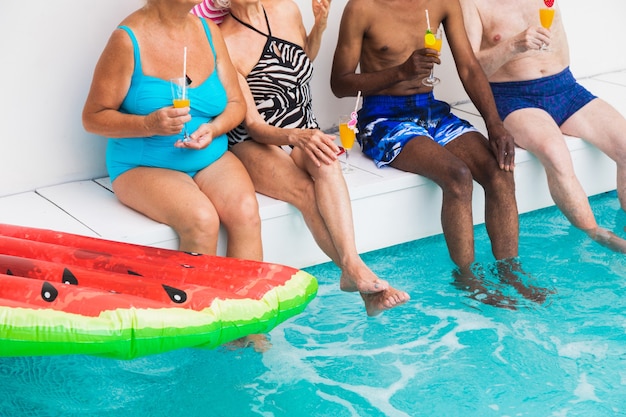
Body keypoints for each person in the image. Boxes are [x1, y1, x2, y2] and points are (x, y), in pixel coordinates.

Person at [330, 0, 544, 307]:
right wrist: (400, 72)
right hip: (383, 117)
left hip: (430, 110)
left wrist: (495, 124)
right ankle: (467, 277)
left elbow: (469, 67)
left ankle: (509, 271)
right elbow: (340, 83)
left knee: (499, 170)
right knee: (457, 175)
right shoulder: (362, 8)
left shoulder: (443, 2)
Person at [212, 0, 410, 316]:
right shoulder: (224, 41)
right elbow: (253, 125)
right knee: (305, 192)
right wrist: (296, 136)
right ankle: (356, 272)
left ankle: (353, 269)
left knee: (328, 163)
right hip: (255, 140)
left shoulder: (285, 9)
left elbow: (301, 60)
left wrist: (319, 26)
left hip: (303, 127)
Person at [82, 0, 262, 261]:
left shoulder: (210, 32)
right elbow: (92, 118)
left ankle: (247, 301)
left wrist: (213, 128)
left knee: (245, 211)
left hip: (209, 157)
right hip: (144, 165)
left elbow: (236, 104)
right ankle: (197, 303)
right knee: (201, 220)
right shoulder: (127, 40)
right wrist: (148, 124)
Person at [459, 0, 626, 253]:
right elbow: (470, 68)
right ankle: (599, 236)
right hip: (513, 96)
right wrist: (513, 45)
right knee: (555, 153)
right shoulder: (472, 4)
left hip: (566, 88)